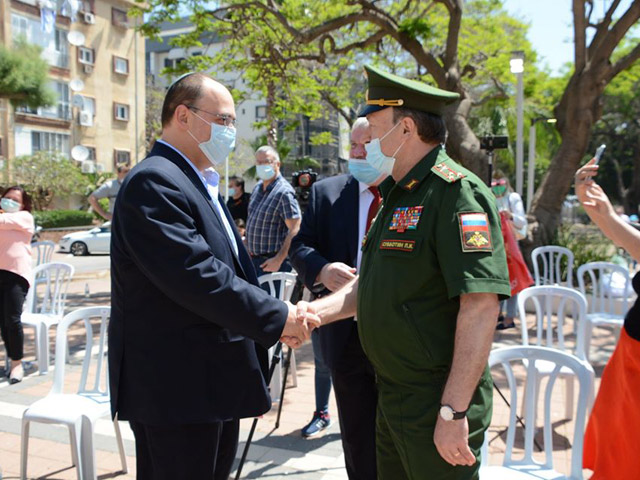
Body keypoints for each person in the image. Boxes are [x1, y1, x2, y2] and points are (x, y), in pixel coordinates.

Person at [296, 65, 510, 480]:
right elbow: (370, 287)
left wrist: (453, 411)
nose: (366, 142)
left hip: (434, 402)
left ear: (406, 128)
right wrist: (314, 315)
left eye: (374, 130)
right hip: (390, 392)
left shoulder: (455, 195)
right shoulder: (397, 194)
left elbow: (481, 306)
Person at [108, 72, 313, 480]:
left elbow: (228, 269)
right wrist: (278, 317)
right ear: (183, 115)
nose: (231, 131)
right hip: (177, 390)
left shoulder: (196, 182)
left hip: (208, 382)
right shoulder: (155, 181)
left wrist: (270, 322)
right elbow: (198, 277)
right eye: (223, 120)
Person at [290, 117, 381, 475]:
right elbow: (300, 247)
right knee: (358, 437)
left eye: (366, 146)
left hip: (397, 337)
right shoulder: (327, 192)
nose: (357, 153)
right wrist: (322, 271)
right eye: (353, 147)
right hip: (345, 335)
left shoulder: (407, 192)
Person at [575, 158, 640, 480]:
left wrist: (607, 215)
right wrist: (603, 211)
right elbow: (629, 241)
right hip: (634, 352)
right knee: (620, 453)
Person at [246, 146, 301, 278]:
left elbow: (295, 228)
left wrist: (279, 259)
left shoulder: (284, 192)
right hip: (254, 262)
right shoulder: (257, 188)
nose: (262, 166)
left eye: (266, 162)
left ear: (277, 164)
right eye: (258, 162)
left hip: (273, 264)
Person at [0, 186, 35, 384]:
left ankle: (17, 364)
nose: (9, 201)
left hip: (16, 274)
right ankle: (11, 359)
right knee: (2, 321)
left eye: (15, 199)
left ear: (23, 204)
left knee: (12, 319)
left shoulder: (25, 217)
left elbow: (4, 220)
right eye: (7, 197)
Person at [491, 173, 527, 330]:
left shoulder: (513, 198)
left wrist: (509, 215)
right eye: (495, 184)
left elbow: (522, 221)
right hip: (495, 245)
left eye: (500, 183)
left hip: (510, 244)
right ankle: (497, 313)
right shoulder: (490, 197)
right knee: (496, 281)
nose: (498, 187)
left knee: (513, 278)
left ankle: (510, 316)